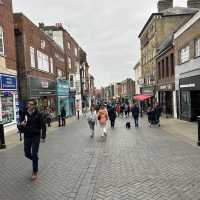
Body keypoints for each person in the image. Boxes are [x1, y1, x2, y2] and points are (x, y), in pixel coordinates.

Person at [20, 99, 46, 181]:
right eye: (28, 104)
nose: (29, 106)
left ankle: (35, 171)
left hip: (36, 136)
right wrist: (21, 125)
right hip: (27, 135)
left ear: (34, 105)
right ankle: (35, 160)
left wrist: (43, 136)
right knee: (27, 153)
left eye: (31, 104)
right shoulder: (24, 113)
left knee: (34, 153)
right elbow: (19, 124)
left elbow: (43, 125)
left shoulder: (38, 114)